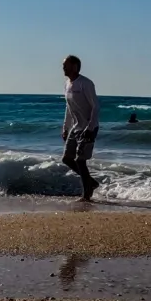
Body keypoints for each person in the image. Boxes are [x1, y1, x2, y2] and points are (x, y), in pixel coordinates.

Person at [60, 54, 100, 201]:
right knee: (67, 158)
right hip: (75, 128)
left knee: (80, 160)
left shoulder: (86, 83)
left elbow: (96, 106)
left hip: (88, 127)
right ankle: (92, 182)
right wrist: (65, 127)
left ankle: (87, 194)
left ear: (75, 66)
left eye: (66, 65)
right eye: (63, 65)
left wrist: (90, 127)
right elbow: (68, 108)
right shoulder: (67, 84)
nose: (63, 67)